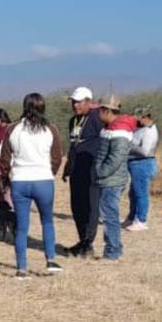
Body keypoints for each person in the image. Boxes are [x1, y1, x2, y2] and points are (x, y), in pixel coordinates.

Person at [0, 93, 64, 279]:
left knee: (21, 226)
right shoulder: (50, 129)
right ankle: (50, 259)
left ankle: (21, 269)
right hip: (43, 180)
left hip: (20, 180)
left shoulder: (13, 129)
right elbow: (57, 157)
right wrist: (50, 173)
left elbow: (5, 159)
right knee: (47, 221)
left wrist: (6, 181)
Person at [62, 87, 103, 258]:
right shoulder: (73, 121)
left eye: (78, 102)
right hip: (76, 169)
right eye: (73, 101)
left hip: (92, 169)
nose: (75, 105)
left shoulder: (97, 118)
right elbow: (73, 145)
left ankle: (88, 242)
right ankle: (82, 241)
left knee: (91, 206)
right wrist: (67, 166)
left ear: (88, 102)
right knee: (77, 206)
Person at [95, 94, 136, 262]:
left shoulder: (119, 132)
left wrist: (100, 171)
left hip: (111, 180)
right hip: (109, 179)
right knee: (109, 215)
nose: (98, 113)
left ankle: (112, 251)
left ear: (106, 110)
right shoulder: (111, 128)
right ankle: (115, 248)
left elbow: (116, 157)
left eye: (100, 110)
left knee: (110, 216)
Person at [124, 107, 159, 231]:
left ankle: (141, 220)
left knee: (141, 194)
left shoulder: (149, 131)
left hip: (142, 164)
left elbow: (145, 151)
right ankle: (132, 217)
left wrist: (128, 147)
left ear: (148, 117)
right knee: (133, 193)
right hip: (136, 164)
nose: (138, 119)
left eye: (141, 117)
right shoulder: (141, 128)